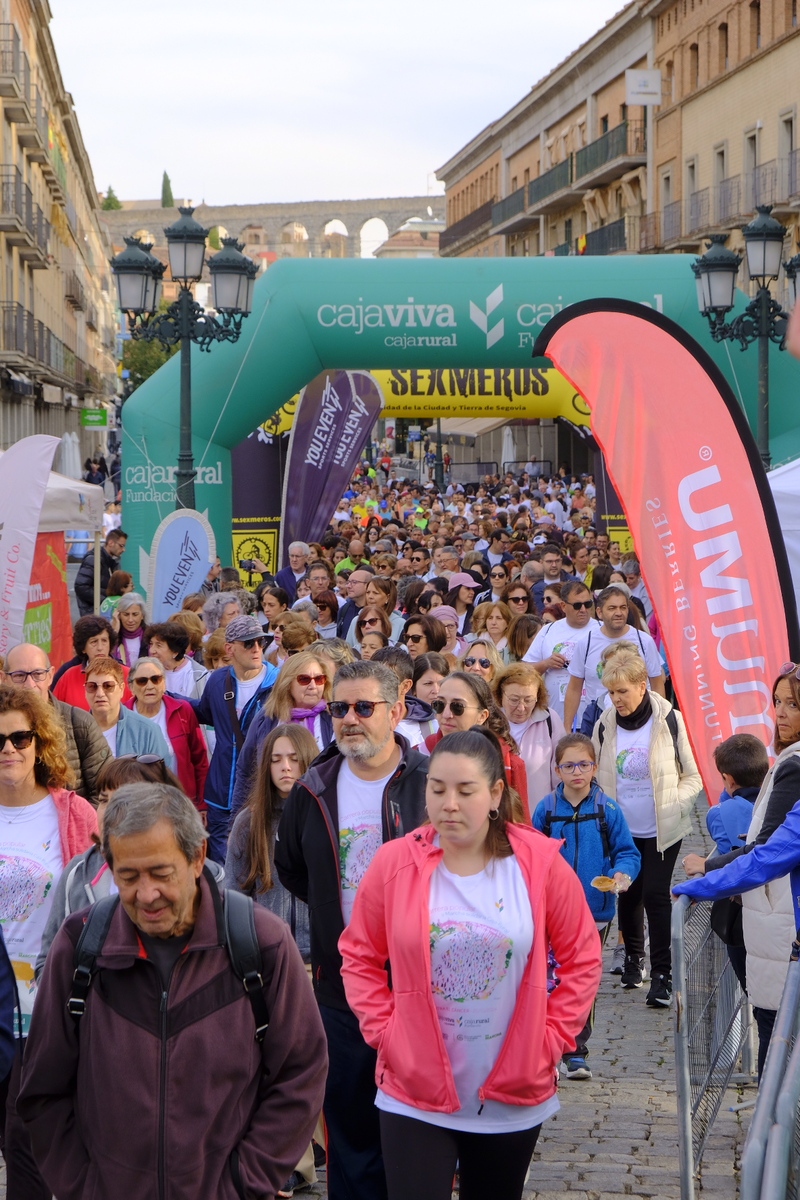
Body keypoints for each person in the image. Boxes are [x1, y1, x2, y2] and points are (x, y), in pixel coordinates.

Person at [19, 782, 327, 1200]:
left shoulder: (261, 943)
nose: (147, 895)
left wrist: (242, 1184)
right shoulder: (80, 946)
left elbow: (301, 1072)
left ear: (197, 857)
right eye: (128, 877)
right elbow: (43, 1090)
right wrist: (83, 1188)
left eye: (161, 874)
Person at [339, 726, 602, 1200]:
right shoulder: (394, 863)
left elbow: (582, 956)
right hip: (413, 1090)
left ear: (496, 793)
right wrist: (386, 1033)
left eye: (465, 791)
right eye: (437, 789)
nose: (449, 804)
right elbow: (359, 956)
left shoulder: (539, 865)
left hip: (511, 1091)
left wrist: (553, 1038)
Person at [275, 660, 428, 1200]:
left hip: (423, 987)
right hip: (341, 987)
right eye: (339, 708)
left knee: (417, 1133)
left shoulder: (432, 784)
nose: (349, 719)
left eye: (364, 707)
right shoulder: (312, 788)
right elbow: (293, 867)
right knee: (350, 1129)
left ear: (397, 711)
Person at [0, 685, 97, 1200]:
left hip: (45, 1008)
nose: (9, 749)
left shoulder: (74, 814)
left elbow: (103, 901)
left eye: (20, 737)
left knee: (26, 1139)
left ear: (39, 743)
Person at [679, 666, 800, 1074]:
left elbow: (768, 852)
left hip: (782, 921)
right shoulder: (786, 760)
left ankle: (774, 1138)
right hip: (777, 920)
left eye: (793, 705)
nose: (781, 713)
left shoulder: (795, 766)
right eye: (778, 702)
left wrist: (706, 882)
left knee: (778, 1036)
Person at [225, 721, 322, 1196]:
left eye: (295, 759)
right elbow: (232, 894)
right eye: (277, 760)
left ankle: (318, 1148)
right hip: (265, 962)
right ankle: (292, 1164)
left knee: (317, 1062)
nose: (286, 768)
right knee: (277, 1065)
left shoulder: (323, 815)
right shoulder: (250, 822)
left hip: (319, 957)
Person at [593, 649, 701, 1006]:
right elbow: (597, 774)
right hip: (623, 830)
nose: (616, 699)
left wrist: (675, 804)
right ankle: (633, 960)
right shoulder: (604, 723)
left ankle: (662, 975)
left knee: (655, 894)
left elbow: (693, 774)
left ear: (642, 686)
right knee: (627, 891)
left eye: (622, 691)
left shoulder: (670, 720)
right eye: (611, 692)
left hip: (662, 829)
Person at [533, 733, 640, 1079]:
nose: (576, 771)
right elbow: (530, 853)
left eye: (584, 764)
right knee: (547, 977)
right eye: (569, 765)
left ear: (594, 768)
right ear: (557, 769)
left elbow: (627, 852)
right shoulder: (546, 809)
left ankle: (576, 1051)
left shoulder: (607, 809)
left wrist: (620, 875)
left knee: (581, 981)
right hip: (552, 911)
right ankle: (543, 1046)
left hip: (595, 910)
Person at [34, 754, 192, 979]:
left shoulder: (201, 875)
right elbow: (47, 965)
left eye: (123, 802)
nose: (109, 812)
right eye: (104, 800)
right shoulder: (78, 873)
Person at [189, 614, 275, 863]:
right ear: (230, 648)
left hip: (259, 794)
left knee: (256, 861)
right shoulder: (216, 680)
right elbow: (205, 712)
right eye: (249, 643)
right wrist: (169, 698)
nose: (257, 648)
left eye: (261, 642)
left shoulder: (279, 682)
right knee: (221, 864)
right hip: (220, 793)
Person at [1, 643, 111, 803]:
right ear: (3, 678)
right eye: (19, 676)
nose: (29, 684)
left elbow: (107, 793)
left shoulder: (80, 724)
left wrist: (76, 822)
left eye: (37, 674)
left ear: (51, 675)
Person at [231, 649, 334, 819]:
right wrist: (234, 823)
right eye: (304, 679)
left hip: (319, 813)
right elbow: (244, 769)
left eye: (319, 679)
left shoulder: (333, 718)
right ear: (288, 683)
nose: (313, 686)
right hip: (273, 813)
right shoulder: (267, 718)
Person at [426, 671, 529, 818]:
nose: (446, 714)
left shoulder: (509, 764)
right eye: (439, 704)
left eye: (457, 706)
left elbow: (521, 829)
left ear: (482, 716)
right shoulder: (420, 755)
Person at [563, 586, 665, 736]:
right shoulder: (586, 643)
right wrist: (566, 727)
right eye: (612, 608)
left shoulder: (644, 641)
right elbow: (574, 688)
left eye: (623, 607)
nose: (619, 613)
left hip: (639, 719)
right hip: (599, 721)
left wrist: (660, 719)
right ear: (599, 612)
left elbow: (657, 683)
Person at [125, 656, 208, 810]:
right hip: (135, 807)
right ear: (131, 686)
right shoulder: (121, 716)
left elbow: (200, 761)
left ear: (164, 682)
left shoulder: (183, 710)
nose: (150, 686)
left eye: (156, 679)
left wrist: (201, 805)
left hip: (179, 803)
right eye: (142, 681)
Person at [524, 580, 598, 725]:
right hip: (556, 715)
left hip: (593, 717)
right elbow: (524, 669)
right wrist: (546, 663)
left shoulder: (602, 630)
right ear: (563, 606)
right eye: (577, 605)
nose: (583, 609)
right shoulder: (548, 630)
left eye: (587, 604)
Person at [494, 663, 565, 805]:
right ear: (500, 695)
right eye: (514, 700)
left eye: (528, 700)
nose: (521, 708)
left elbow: (561, 775)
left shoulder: (550, 719)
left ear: (538, 697)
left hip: (539, 818)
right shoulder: (488, 721)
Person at [84, 656, 171, 760]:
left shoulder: (148, 731)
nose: (100, 693)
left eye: (108, 686)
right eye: (92, 686)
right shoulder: (75, 731)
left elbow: (160, 774)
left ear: (121, 689)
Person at [51, 615, 132, 710]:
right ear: (83, 648)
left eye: (104, 641)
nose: (100, 647)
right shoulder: (68, 676)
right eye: (94, 642)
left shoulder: (127, 675)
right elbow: (53, 713)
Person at [372, 645, 437, 749]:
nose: (379, 686)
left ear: (406, 686)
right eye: (374, 679)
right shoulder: (356, 719)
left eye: (388, 680)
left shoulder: (432, 728)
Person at [146, 621, 209, 701]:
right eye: (151, 644)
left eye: (159, 645)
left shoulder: (198, 675)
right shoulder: (147, 671)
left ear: (175, 651)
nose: (152, 650)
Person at [74, 528, 127, 616]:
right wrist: (106, 600)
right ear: (110, 543)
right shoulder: (93, 559)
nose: (123, 549)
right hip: (94, 614)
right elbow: (81, 587)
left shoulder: (110, 562)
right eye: (121, 545)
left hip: (101, 612)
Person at [532, 543, 575, 613]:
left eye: (557, 561)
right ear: (541, 562)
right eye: (549, 561)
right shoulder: (535, 588)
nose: (554, 565)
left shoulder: (573, 583)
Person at [111, 592, 148, 666]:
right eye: (126, 614)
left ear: (142, 615)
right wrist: (114, 633)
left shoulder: (151, 637)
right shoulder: (110, 637)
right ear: (119, 615)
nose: (130, 620)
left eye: (135, 614)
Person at [336, 567, 374, 638]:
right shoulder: (344, 609)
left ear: (367, 585)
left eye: (354, 582)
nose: (349, 586)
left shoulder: (375, 610)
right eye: (348, 582)